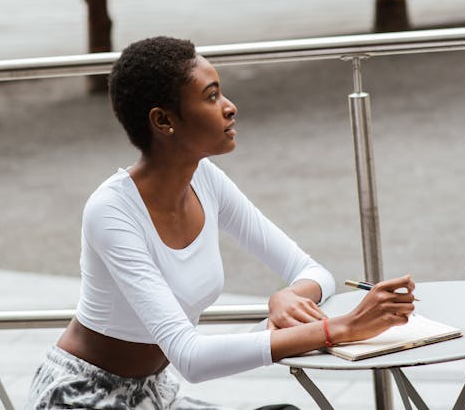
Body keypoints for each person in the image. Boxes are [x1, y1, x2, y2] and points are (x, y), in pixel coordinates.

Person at [25, 36, 416, 410]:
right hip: (81, 396)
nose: (230, 107)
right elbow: (191, 358)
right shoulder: (111, 212)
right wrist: (339, 329)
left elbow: (313, 271)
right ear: (163, 121)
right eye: (211, 96)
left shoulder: (205, 179)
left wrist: (290, 294)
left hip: (155, 395)